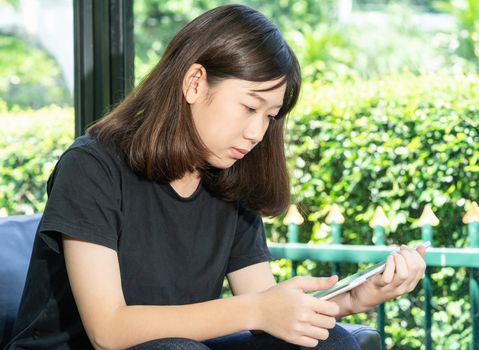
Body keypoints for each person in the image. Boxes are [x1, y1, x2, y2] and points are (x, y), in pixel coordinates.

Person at [5, 4, 427, 350]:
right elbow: (108, 329)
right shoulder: (92, 166)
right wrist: (257, 309)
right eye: (249, 107)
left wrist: (357, 299)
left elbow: (263, 306)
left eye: (270, 117)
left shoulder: (229, 181)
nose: (257, 132)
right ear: (194, 82)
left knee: (330, 343)